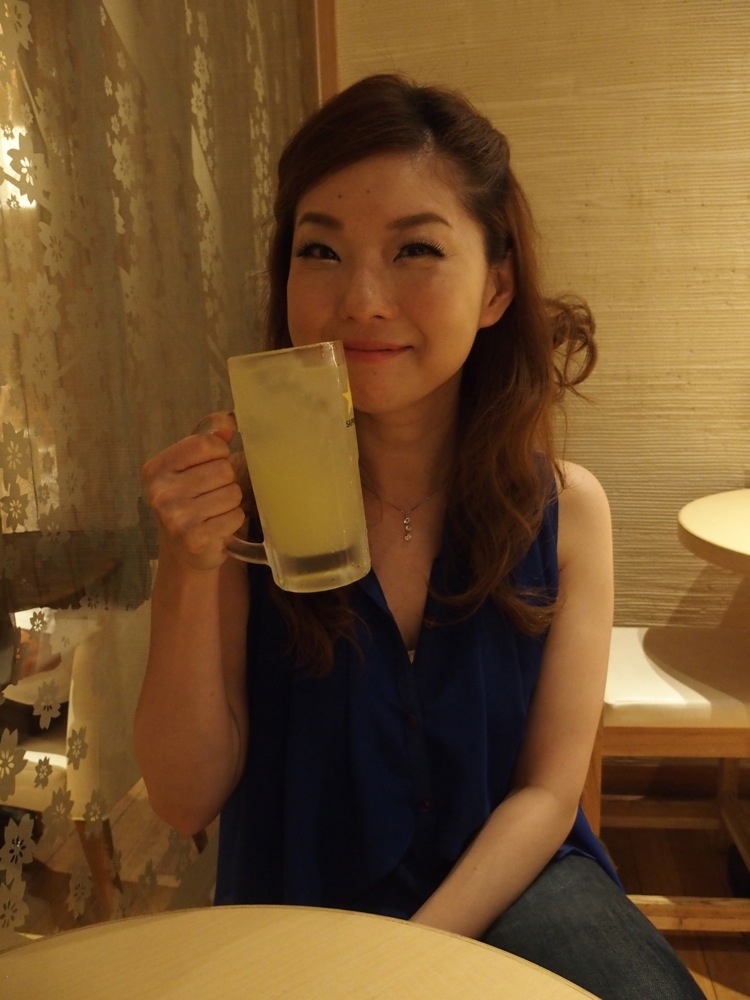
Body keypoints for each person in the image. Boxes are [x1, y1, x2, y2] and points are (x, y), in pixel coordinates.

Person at [136, 74, 703, 999]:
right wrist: (187, 564)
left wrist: (406, 962)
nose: (362, 299)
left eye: (416, 250)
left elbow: (546, 792)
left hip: (509, 881)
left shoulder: (565, 512)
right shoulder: (239, 512)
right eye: (321, 250)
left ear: (496, 287)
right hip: (298, 899)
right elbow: (182, 796)